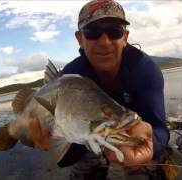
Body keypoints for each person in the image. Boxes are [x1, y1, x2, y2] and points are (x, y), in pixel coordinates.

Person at [29, 0, 170, 179]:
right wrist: (52, 141)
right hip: (88, 140)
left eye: (114, 31)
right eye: (92, 32)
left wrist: (151, 147)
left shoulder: (145, 70)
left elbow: (159, 128)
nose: (104, 41)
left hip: (126, 139)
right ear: (80, 39)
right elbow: (73, 145)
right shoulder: (71, 76)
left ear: (125, 37)